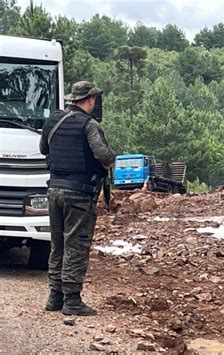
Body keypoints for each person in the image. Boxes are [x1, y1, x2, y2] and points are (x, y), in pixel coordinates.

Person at [39, 81, 116, 316]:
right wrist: (110, 159)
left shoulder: (53, 120)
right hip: (79, 194)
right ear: (90, 100)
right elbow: (103, 154)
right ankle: (72, 300)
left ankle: (55, 296)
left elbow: (44, 149)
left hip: (54, 191)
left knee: (58, 244)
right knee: (76, 245)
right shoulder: (89, 124)